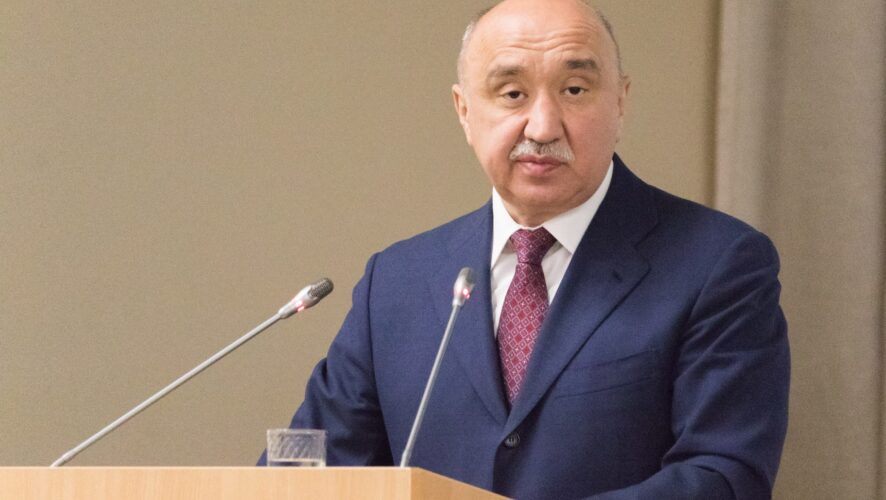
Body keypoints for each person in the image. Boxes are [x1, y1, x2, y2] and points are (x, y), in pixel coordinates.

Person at [260, 1, 790, 498]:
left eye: (575, 90)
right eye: (512, 94)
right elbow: (308, 468)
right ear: (464, 110)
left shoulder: (717, 263)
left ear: (621, 102)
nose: (542, 125)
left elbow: (723, 475)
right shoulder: (396, 282)